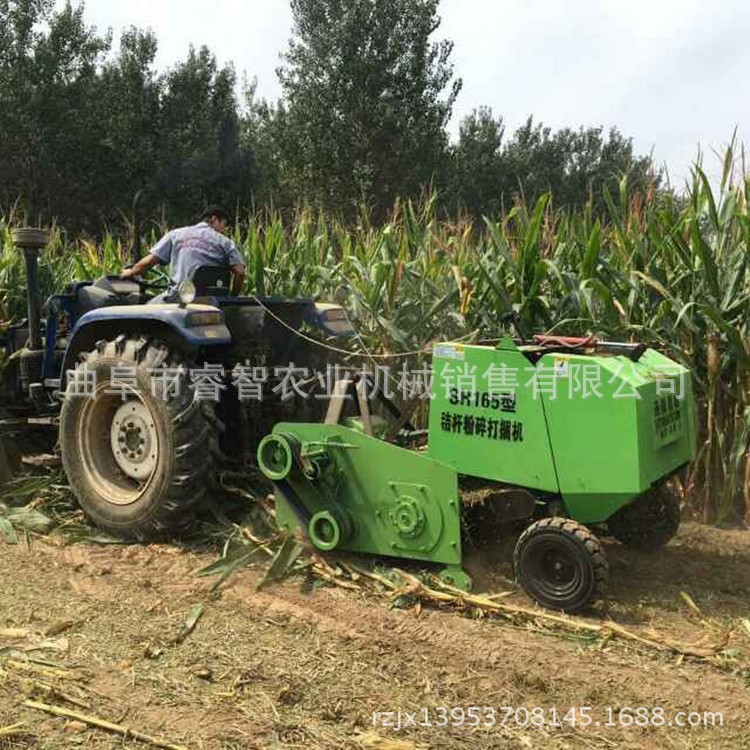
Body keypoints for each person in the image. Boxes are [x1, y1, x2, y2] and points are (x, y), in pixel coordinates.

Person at [121, 206, 246, 299]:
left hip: (178, 299)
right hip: (214, 302)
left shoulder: (176, 234)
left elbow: (149, 261)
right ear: (214, 219)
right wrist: (232, 297)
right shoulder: (226, 243)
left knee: (145, 308)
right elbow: (240, 273)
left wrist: (131, 272)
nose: (224, 231)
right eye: (224, 225)